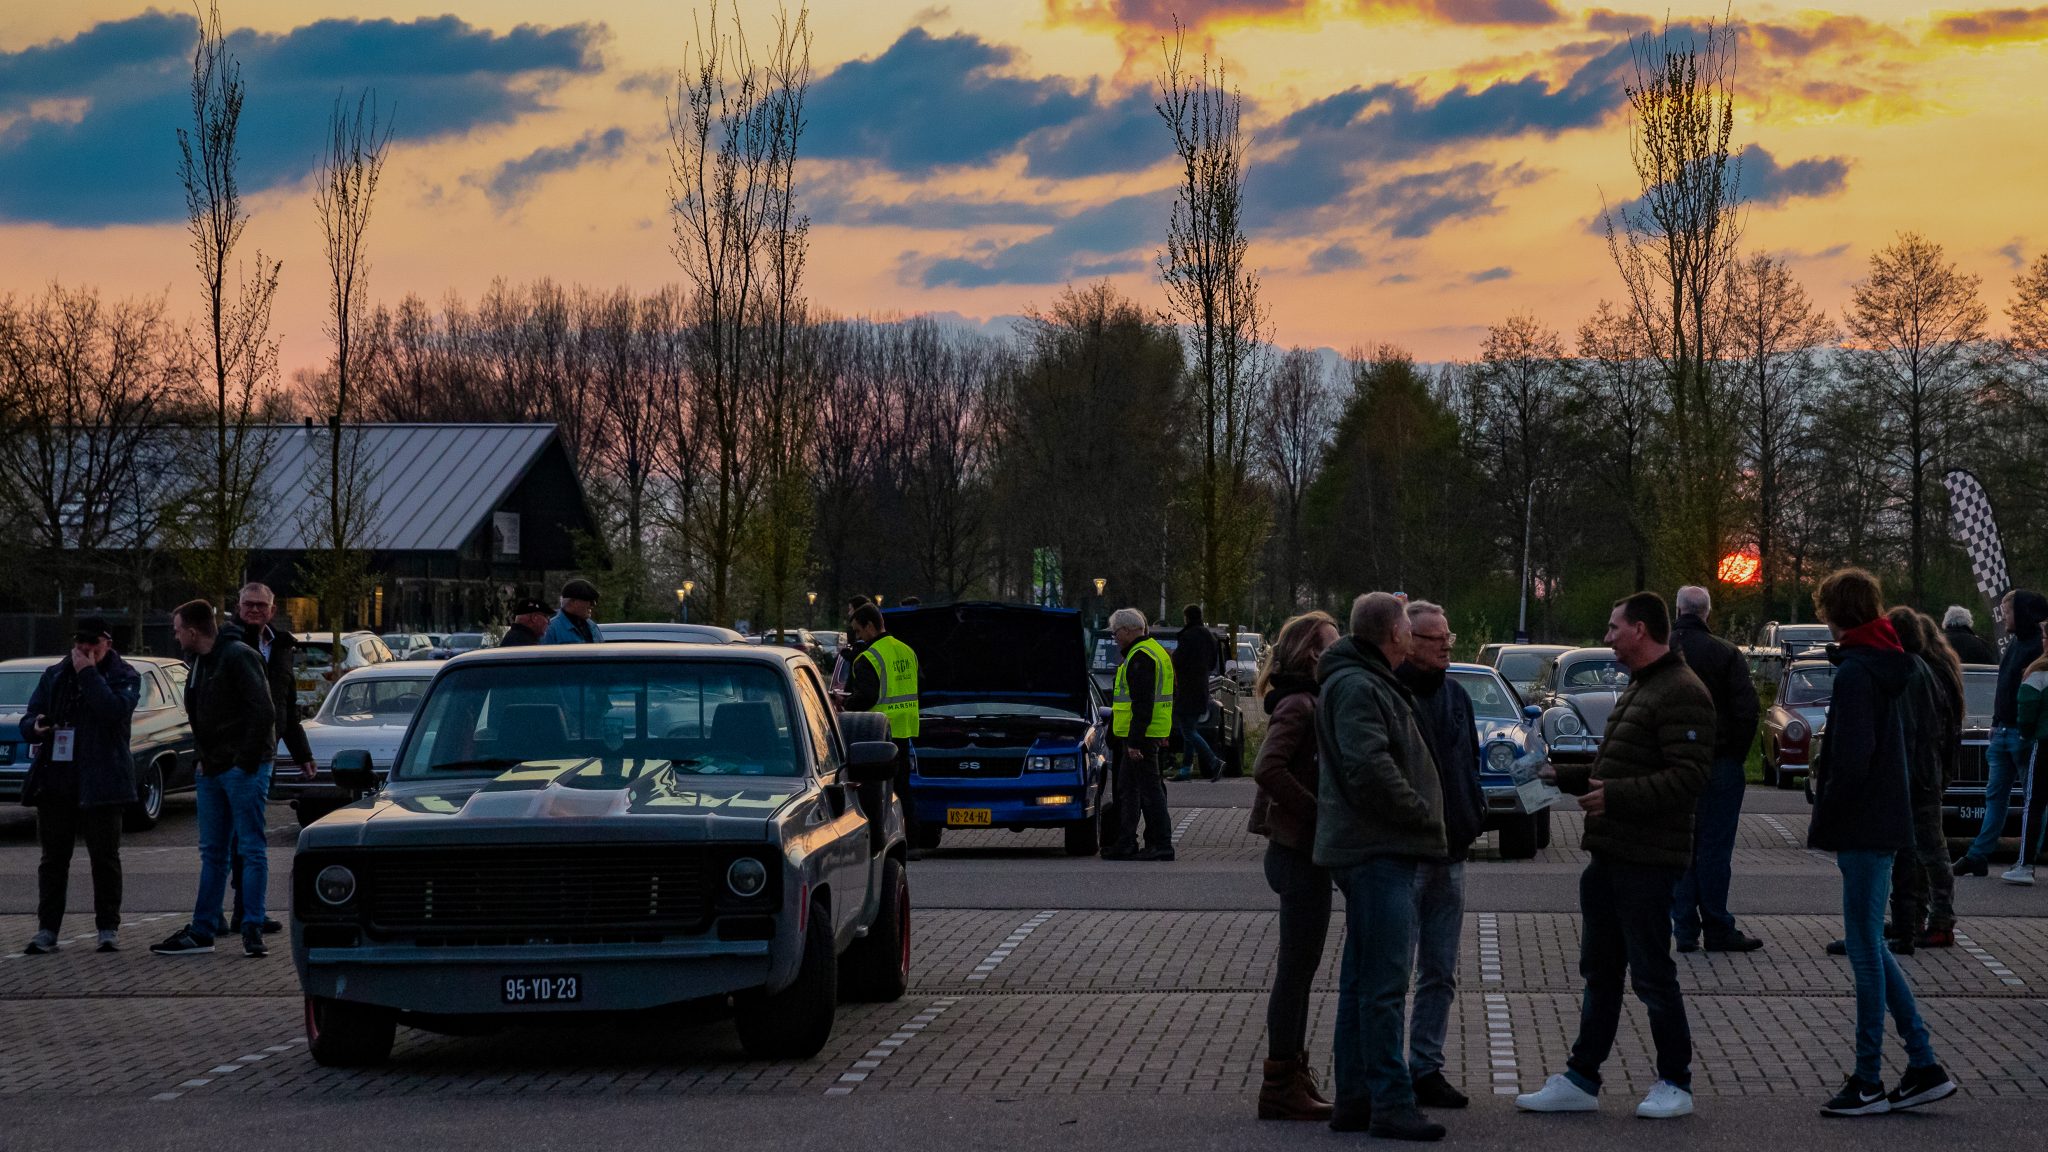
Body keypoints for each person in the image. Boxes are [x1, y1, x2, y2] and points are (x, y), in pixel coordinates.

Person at [1519, 592, 1708, 1121]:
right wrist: (1563, 775)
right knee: (1601, 972)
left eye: (1612, 627)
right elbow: (1621, 770)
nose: (1607, 638)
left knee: (1651, 974)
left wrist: (1616, 798)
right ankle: (1582, 1078)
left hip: (1648, 859)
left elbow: (1690, 778)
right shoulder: (1643, 687)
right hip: (1611, 855)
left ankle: (1676, 1081)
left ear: (1641, 630)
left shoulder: (1682, 691)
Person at [1805, 568, 1955, 1117]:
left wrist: (1828, 811)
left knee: (1865, 950)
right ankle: (1922, 1062)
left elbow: (1851, 757)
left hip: (1864, 825)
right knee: (1872, 943)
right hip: (1888, 820)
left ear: (1835, 612)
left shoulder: (1855, 673)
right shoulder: (1896, 663)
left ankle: (1869, 1078)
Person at [1316, 592, 1446, 1142]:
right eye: (1407, 630)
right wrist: (1418, 815)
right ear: (1393, 635)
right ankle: (1390, 1102)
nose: (1413, 639)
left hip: (1374, 850)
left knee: (1362, 982)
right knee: (1385, 986)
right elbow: (1368, 767)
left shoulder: (1363, 680)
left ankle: (1356, 1099)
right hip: (1377, 852)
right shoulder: (1360, 685)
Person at [1248, 610, 1341, 1122]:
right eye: (1332, 644)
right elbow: (1267, 767)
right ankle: (1281, 1082)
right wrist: (1317, 811)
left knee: (1300, 972)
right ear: (1312, 652)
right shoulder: (1301, 703)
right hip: (1297, 852)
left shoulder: (1308, 699)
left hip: (1301, 852)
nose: (1340, 650)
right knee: (1295, 974)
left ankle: (1292, 1074)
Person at [1396, 600, 1485, 1112]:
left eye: (1449, 638)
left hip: (1451, 853)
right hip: (1407, 855)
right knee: (1394, 970)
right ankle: (1387, 1071)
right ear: (1409, 641)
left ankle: (1425, 1067)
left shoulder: (1456, 695)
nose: (1447, 646)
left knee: (1440, 971)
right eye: (1436, 639)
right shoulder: (1392, 695)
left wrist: (1471, 813)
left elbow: (1466, 761)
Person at [152, 600, 275, 959]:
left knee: (248, 848)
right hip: (217, 768)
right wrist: (207, 761)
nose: (175, 636)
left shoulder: (236, 657)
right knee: (216, 852)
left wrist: (245, 761)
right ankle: (205, 927)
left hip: (239, 768)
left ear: (193, 631)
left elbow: (263, 710)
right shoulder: (201, 663)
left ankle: (250, 926)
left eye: (177, 629)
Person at [18, 617, 140, 955]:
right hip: (58, 779)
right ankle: (47, 929)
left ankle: (107, 928)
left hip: (104, 780)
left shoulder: (124, 675)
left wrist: (88, 674)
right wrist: (36, 725)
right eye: (80, 646)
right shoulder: (56, 674)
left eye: (93, 646)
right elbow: (30, 716)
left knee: (105, 857)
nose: (85, 652)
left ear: (108, 644)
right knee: (53, 858)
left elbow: (113, 710)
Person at [1667, 585, 1764, 953]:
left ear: (1677, 609)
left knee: (1680, 845)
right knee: (1714, 848)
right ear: (1707, 613)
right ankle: (1718, 926)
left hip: (1673, 766)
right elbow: (1746, 710)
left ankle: (1685, 929)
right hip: (1718, 763)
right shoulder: (1725, 653)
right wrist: (1732, 755)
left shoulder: (1663, 652)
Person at [220, 583, 316, 935]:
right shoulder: (226, 644)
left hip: (263, 754)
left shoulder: (282, 648)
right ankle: (235, 912)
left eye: (262, 605)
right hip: (230, 753)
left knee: (244, 835)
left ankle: (244, 910)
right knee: (231, 837)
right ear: (238, 606)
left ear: (273, 610)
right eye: (249, 604)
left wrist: (302, 752)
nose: (255, 610)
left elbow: (285, 706)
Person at [1954, 588, 2048, 877]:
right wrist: (1996, 721)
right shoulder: (2015, 645)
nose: (2003, 617)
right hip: (2003, 730)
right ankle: (1979, 854)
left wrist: (2023, 729)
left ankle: (2027, 856)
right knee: (1995, 795)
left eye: (2007, 611)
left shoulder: (2036, 649)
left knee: (2033, 798)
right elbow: (2004, 687)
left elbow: (2027, 695)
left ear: (2022, 613)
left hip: (2022, 733)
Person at [1886, 610, 1962, 948]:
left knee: (1929, 848)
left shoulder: (1921, 674)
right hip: (1929, 771)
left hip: (1921, 773)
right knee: (1921, 847)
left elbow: (1918, 730)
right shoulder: (1938, 672)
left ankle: (1938, 919)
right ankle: (1917, 916)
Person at [845, 603, 922, 852]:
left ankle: (879, 844)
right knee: (903, 790)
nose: (858, 637)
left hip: (878, 734)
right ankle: (913, 843)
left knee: (876, 794)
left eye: (858, 631)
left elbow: (867, 697)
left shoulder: (868, 657)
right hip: (905, 729)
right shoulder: (907, 650)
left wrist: (844, 702)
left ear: (870, 626)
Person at [1104, 608, 1176, 862]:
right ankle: (1127, 842)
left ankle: (1160, 844)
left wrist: (1135, 742)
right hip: (1146, 733)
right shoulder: (1154, 651)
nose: (1115, 638)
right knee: (1130, 790)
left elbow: (1142, 703)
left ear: (1127, 630)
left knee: (1148, 791)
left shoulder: (1140, 657)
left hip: (1140, 737)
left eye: (1116, 633)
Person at [2007, 617, 2048, 884]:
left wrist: (2026, 732)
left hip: (2044, 744)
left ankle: (2025, 865)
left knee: (2034, 804)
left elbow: (2026, 711)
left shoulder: (2038, 673)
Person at [1172, 604, 1221, 781]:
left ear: (1187, 617)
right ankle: (1186, 769)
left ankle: (1214, 762)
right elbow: (1212, 662)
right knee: (1190, 728)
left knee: (1187, 731)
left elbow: (1178, 660)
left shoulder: (1187, 636)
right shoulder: (1209, 636)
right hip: (1202, 687)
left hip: (1187, 688)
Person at [542, 578, 605, 644]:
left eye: (595, 601)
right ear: (573, 602)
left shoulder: (592, 626)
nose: (592, 605)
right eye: (589, 601)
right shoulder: (551, 629)